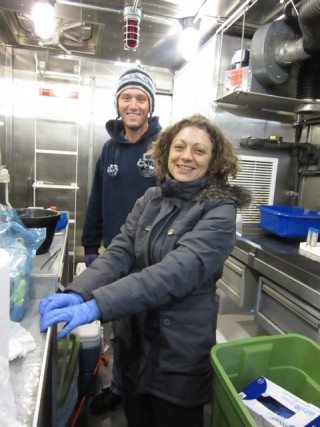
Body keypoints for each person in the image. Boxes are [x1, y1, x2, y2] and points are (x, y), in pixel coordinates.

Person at [39, 114, 251, 427]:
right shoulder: (152, 198)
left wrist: (97, 305)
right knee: (136, 417)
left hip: (178, 356)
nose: (186, 156)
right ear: (167, 151)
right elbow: (120, 252)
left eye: (199, 150)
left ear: (214, 161)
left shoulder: (220, 211)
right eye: (179, 147)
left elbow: (172, 273)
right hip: (136, 344)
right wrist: (76, 292)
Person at [81, 65, 161, 415]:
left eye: (141, 98)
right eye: (126, 97)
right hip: (115, 253)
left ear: (149, 106)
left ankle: (148, 389)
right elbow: (97, 198)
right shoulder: (109, 150)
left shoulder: (164, 147)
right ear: (118, 104)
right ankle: (118, 386)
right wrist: (89, 244)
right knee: (117, 324)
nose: (133, 104)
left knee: (149, 326)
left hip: (153, 256)